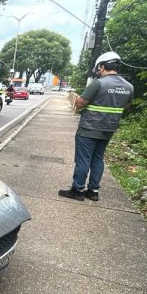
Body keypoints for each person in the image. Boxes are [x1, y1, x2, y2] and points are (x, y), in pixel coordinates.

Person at [58, 51, 134, 201]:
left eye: (99, 68)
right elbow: (127, 106)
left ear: (102, 66)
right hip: (109, 128)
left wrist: (80, 100)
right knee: (98, 159)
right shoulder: (129, 87)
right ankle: (93, 191)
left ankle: (77, 190)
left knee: (83, 160)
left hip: (89, 128)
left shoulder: (98, 83)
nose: (98, 71)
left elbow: (80, 104)